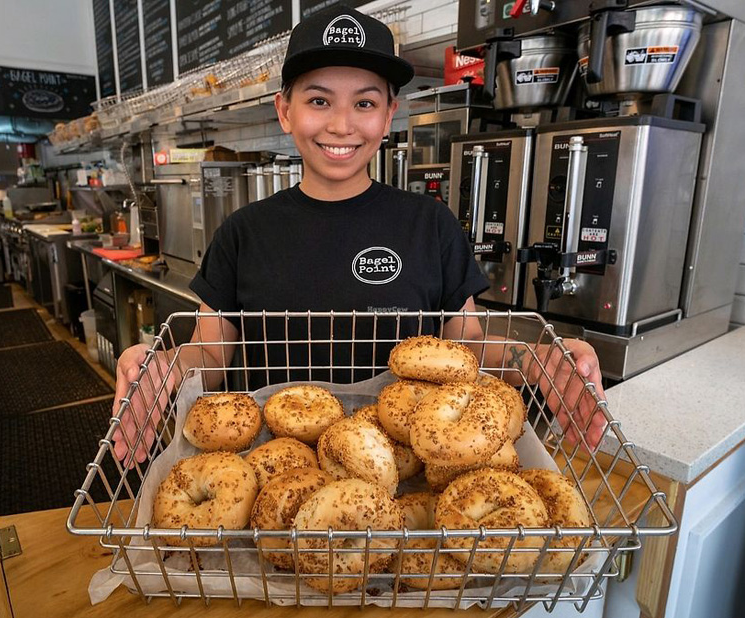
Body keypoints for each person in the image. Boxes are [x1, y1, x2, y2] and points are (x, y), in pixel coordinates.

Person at [111, 4, 607, 465]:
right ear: (286, 111)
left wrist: (538, 358)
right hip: (276, 467)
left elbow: (467, 348)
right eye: (319, 100)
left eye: (365, 103)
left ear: (389, 116)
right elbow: (211, 351)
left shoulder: (430, 224)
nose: (342, 124)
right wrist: (164, 365)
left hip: (404, 463)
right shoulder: (243, 232)